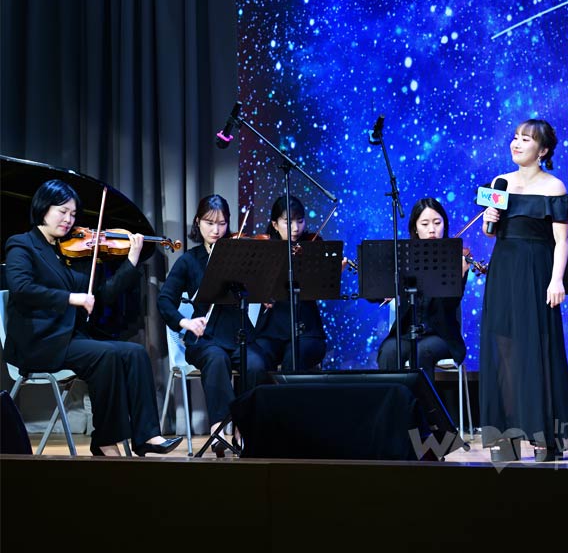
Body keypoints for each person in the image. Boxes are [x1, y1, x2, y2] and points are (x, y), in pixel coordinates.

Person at [4, 179, 181, 456]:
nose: (69, 219)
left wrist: (131, 260)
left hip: (68, 337)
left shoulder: (67, 251)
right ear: (43, 207)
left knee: (135, 353)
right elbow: (22, 288)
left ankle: (148, 435)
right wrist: (71, 298)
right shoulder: (22, 245)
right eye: (62, 211)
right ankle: (105, 441)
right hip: (39, 341)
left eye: (73, 214)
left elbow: (102, 296)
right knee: (105, 355)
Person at [479, 119, 568, 462]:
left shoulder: (554, 186)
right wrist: (489, 218)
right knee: (504, 349)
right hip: (504, 270)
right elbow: (490, 232)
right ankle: (506, 435)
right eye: (515, 137)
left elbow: (562, 240)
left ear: (544, 150)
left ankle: (543, 435)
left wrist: (557, 280)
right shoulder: (499, 182)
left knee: (537, 348)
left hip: (538, 271)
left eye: (526, 139)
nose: (517, 143)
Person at [157, 194, 272, 456]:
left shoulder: (241, 256)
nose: (216, 230)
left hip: (239, 334)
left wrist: (264, 294)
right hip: (205, 337)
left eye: (222, 223)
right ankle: (219, 428)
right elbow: (164, 300)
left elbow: (260, 285)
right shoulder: (189, 260)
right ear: (198, 222)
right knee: (216, 359)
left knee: (255, 364)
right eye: (209, 223)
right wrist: (185, 322)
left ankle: (244, 427)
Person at [376, 197, 469, 380]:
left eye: (437, 223)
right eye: (425, 224)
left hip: (441, 335)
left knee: (421, 352)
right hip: (406, 332)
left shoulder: (455, 260)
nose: (432, 229)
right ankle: (396, 398)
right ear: (416, 228)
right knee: (388, 351)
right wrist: (384, 288)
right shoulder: (404, 257)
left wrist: (458, 277)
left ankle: (422, 400)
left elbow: (449, 305)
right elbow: (378, 296)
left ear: (445, 225)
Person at [252, 196, 328, 371]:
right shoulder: (264, 249)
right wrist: (260, 294)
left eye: (300, 221)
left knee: (294, 359)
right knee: (255, 362)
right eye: (288, 222)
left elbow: (322, 288)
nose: (296, 228)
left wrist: (333, 271)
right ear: (275, 224)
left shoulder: (313, 244)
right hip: (271, 331)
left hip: (307, 331)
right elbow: (250, 285)